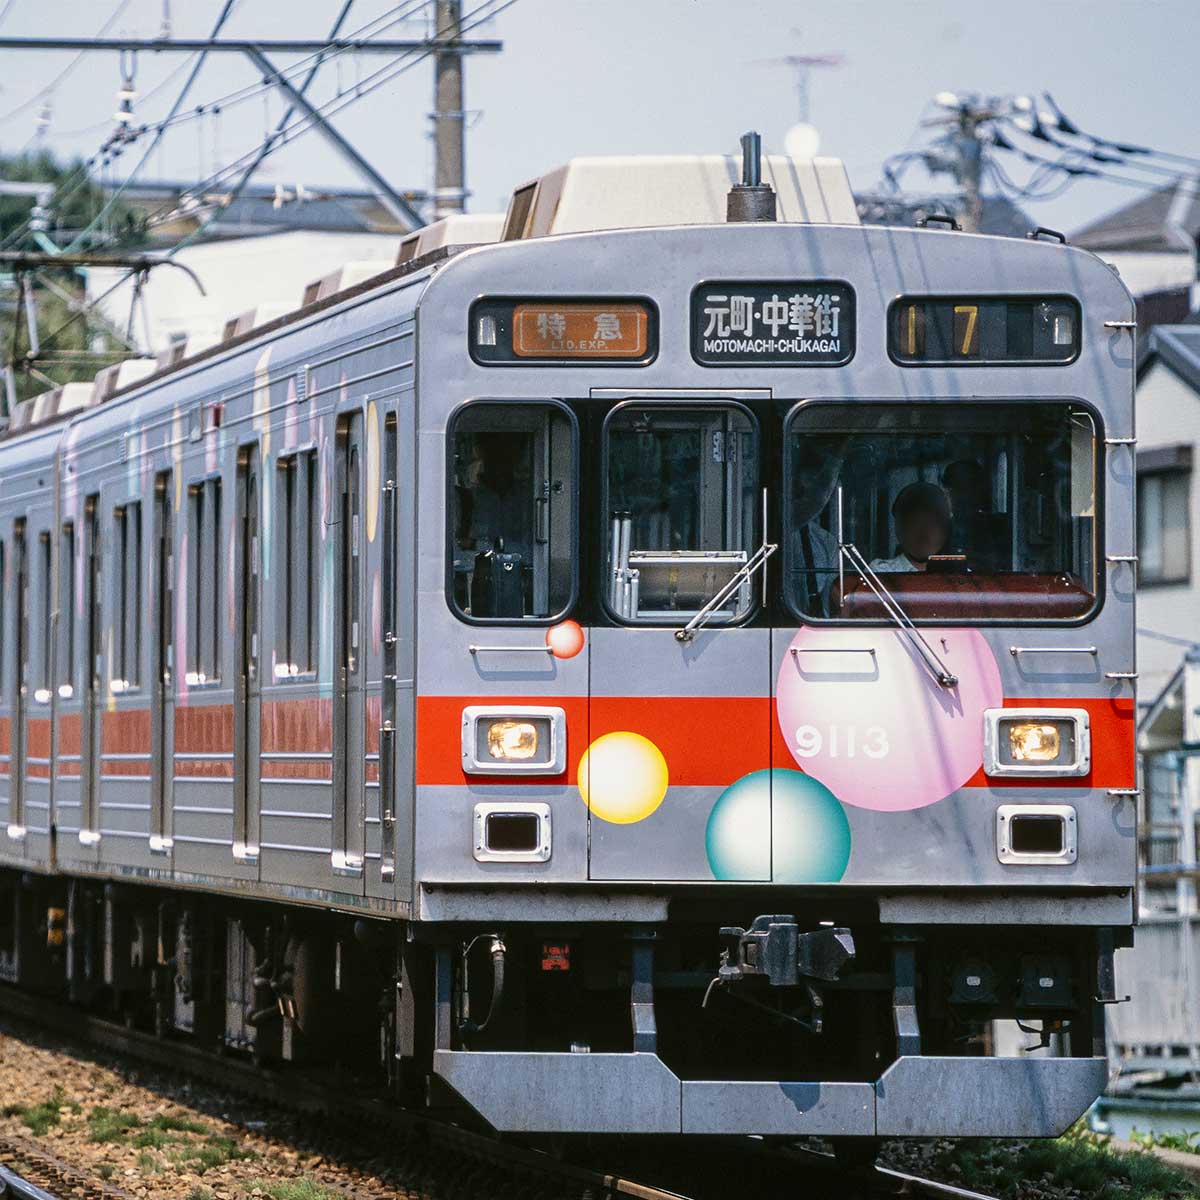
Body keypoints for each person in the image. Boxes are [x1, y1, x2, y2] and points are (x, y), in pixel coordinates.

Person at [870, 481, 951, 573]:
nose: (924, 532)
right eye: (915, 523)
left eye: (932, 524)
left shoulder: (963, 575)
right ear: (899, 529)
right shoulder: (881, 572)